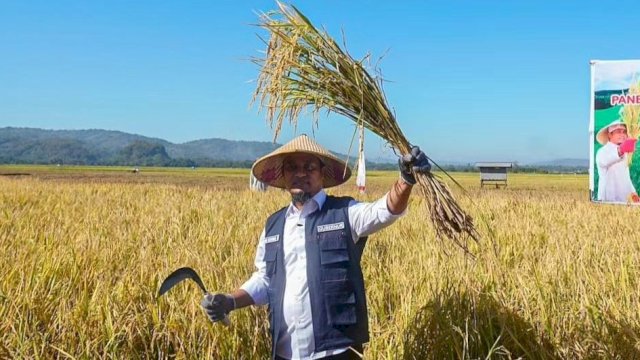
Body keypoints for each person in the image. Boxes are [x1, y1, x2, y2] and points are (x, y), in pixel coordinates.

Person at [201, 134, 430, 359]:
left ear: (322, 173)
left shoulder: (344, 213)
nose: (300, 173)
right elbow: (265, 279)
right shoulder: (273, 225)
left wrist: (406, 179)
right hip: (284, 353)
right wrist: (230, 300)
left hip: (336, 351)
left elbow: (384, 211)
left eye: (309, 167)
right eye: (292, 167)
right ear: (284, 176)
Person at [595, 119, 638, 202]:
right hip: (607, 200)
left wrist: (633, 192)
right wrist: (621, 150)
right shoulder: (602, 151)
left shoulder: (625, 153)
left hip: (625, 199)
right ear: (610, 135)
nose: (622, 135)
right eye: (618, 131)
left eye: (624, 131)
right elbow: (605, 161)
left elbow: (626, 176)